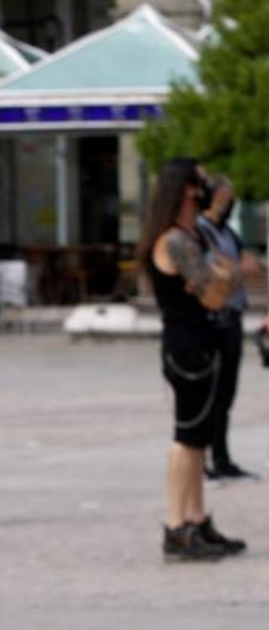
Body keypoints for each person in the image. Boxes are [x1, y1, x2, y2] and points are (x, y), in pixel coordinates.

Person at [139, 159, 245, 561]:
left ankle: (196, 519)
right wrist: (221, 274)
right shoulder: (175, 242)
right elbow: (216, 293)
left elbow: (222, 279)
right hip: (189, 349)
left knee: (198, 437)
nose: (206, 186)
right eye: (200, 180)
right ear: (186, 188)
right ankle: (177, 526)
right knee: (187, 438)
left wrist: (219, 274)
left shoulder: (189, 236)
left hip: (202, 343)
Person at [195, 174, 261, 481]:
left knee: (226, 395)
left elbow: (251, 266)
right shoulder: (201, 231)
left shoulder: (229, 234)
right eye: (227, 195)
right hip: (213, 321)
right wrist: (232, 271)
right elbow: (214, 271)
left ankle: (221, 457)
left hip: (233, 318)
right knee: (210, 394)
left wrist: (231, 270)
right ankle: (204, 459)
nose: (230, 200)